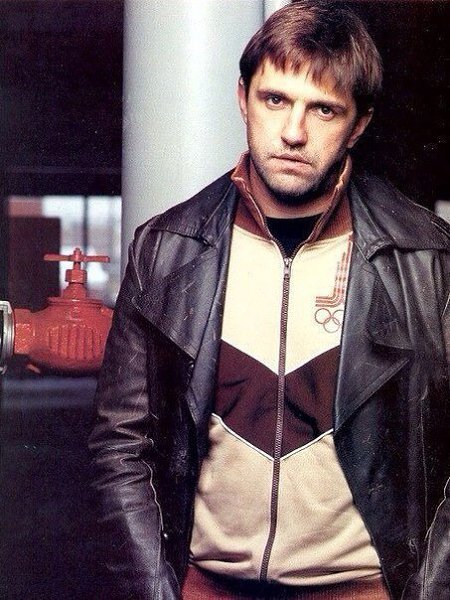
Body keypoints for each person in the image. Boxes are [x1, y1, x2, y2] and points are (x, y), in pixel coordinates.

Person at [89, 2, 450, 599]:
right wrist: (158, 590)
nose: (293, 132)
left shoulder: (427, 257)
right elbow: (122, 444)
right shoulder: (167, 248)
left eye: (324, 109)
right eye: (275, 99)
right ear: (243, 98)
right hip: (204, 588)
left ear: (358, 124)